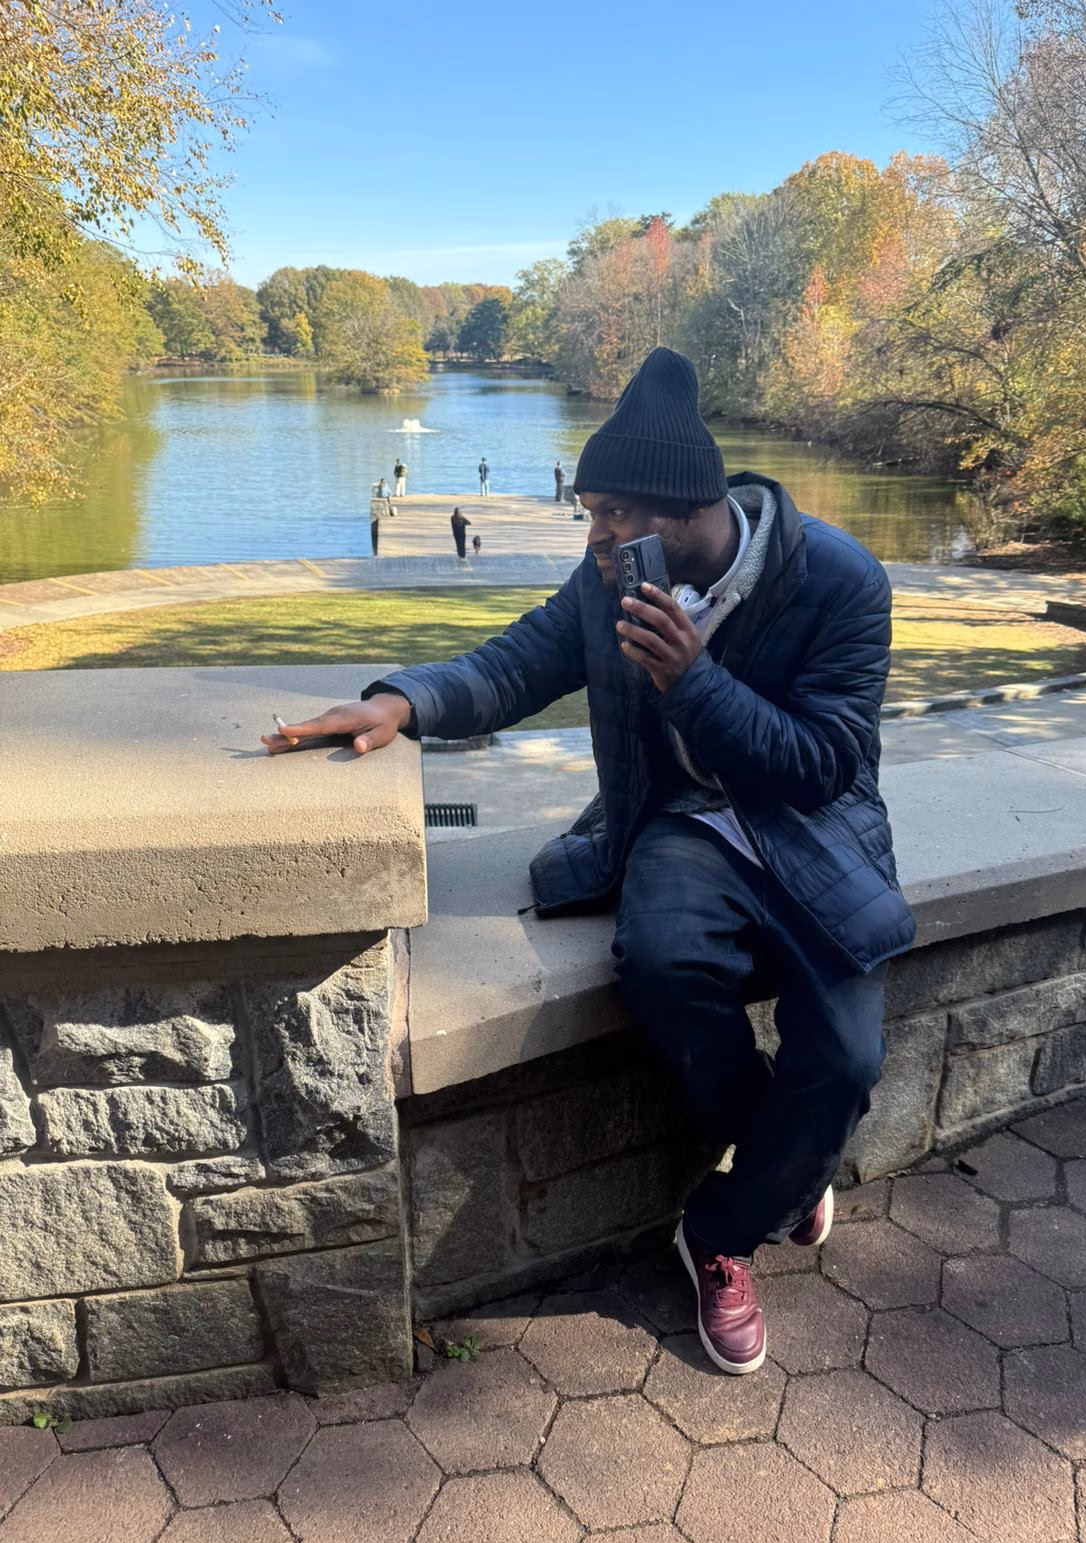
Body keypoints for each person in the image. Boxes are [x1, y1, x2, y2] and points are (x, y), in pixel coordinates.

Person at [265, 348, 914, 1378]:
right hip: (678, 822)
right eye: (590, 511)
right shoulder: (613, 579)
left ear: (686, 508)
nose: (596, 534)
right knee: (660, 964)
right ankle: (774, 1182)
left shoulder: (837, 580)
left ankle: (725, 1218)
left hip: (813, 832)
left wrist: (695, 682)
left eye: (613, 513)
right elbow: (520, 660)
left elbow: (823, 764)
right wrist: (403, 701)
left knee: (845, 1058)